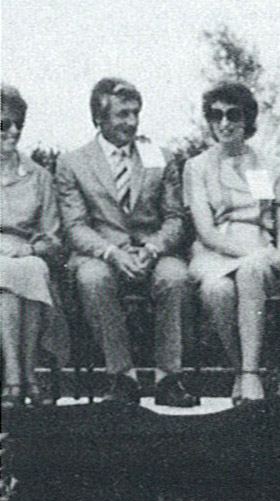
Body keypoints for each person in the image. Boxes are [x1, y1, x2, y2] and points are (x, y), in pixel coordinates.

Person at [56, 78, 197, 406]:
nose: (131, 122)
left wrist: (153, 248)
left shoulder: (158, 156)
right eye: (122, 115)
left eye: (135, 113)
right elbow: (75, 226)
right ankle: (122, 378)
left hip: (153, 250)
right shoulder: (73, 163)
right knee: (92, 278)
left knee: (175, 277)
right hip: (101, 252)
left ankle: (168, 379)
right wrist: (111, 252)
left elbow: (175, 217)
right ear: (99, 118)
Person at [183, 82, 280, 404]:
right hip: (216, 248)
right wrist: (251, 254)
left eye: (233, 115)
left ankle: (250, 375)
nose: (225, 124)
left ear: (248, 120)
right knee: (216, 290)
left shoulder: (266, 166)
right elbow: (206, 232)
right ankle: (242, 370)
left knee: (250, 272)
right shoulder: (197, 167)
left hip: (259, 242)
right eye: (216, 116)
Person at [0, 84, 68, 407]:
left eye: (17, 124)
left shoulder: (39, 176)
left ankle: (21, 377)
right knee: (8, 271)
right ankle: (21, 376)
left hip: (28, 255)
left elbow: (53, 236)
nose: (13, 131)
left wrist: (29, 249)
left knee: (31, 268)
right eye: (3, 124)